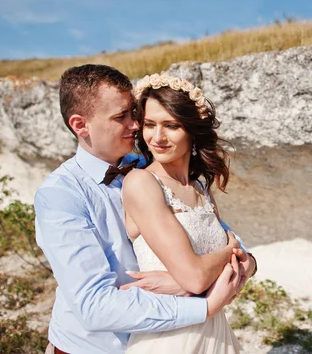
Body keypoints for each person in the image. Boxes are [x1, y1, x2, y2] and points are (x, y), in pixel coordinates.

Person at [34, 64, 252, 354]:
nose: (135, 126)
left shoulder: (151, 170)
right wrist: (202, 303)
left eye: (133, 114)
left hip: (176, 335)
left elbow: (228, 242)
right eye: (121, 117)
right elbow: (94, 306)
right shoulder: (60, 196)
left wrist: (241, 264)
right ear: (80, 125)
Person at [121, 73, 255, 353]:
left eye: (171, 125)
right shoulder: (141, 183)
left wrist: (181, 282)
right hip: (170, 339)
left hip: (216, 334)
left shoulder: (200, 189)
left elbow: (243, 267)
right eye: (149, 124)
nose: (157, 137)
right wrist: (229, 251)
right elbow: (195, 278)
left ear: (192, 131)